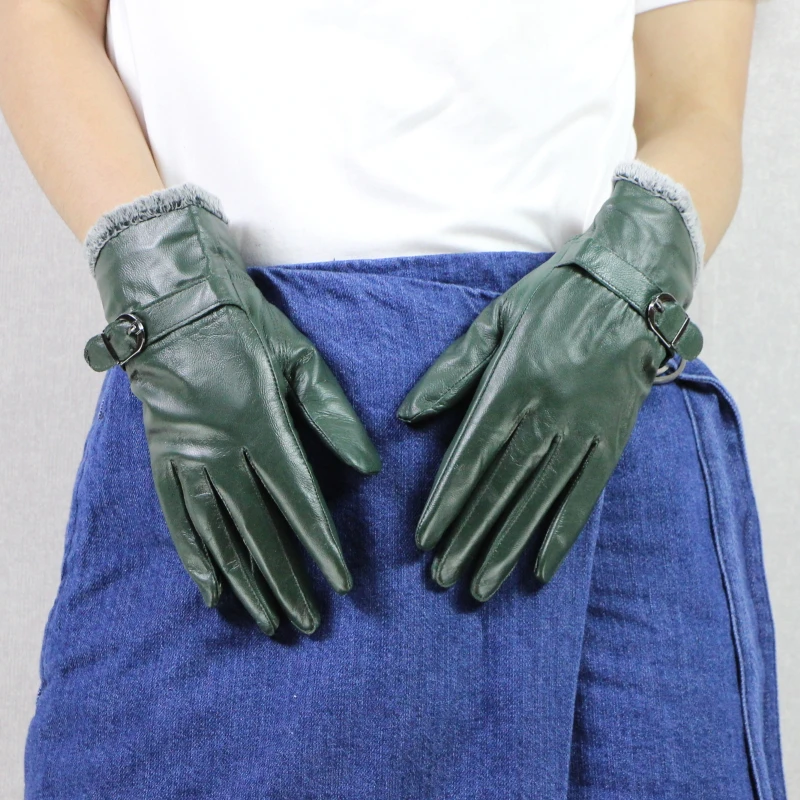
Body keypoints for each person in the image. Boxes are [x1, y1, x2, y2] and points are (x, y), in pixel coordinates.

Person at [0, 0, 787, 797]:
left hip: (585, 413)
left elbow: (696, 108)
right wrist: (165, 293)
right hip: (236, 415)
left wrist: (633, 273)